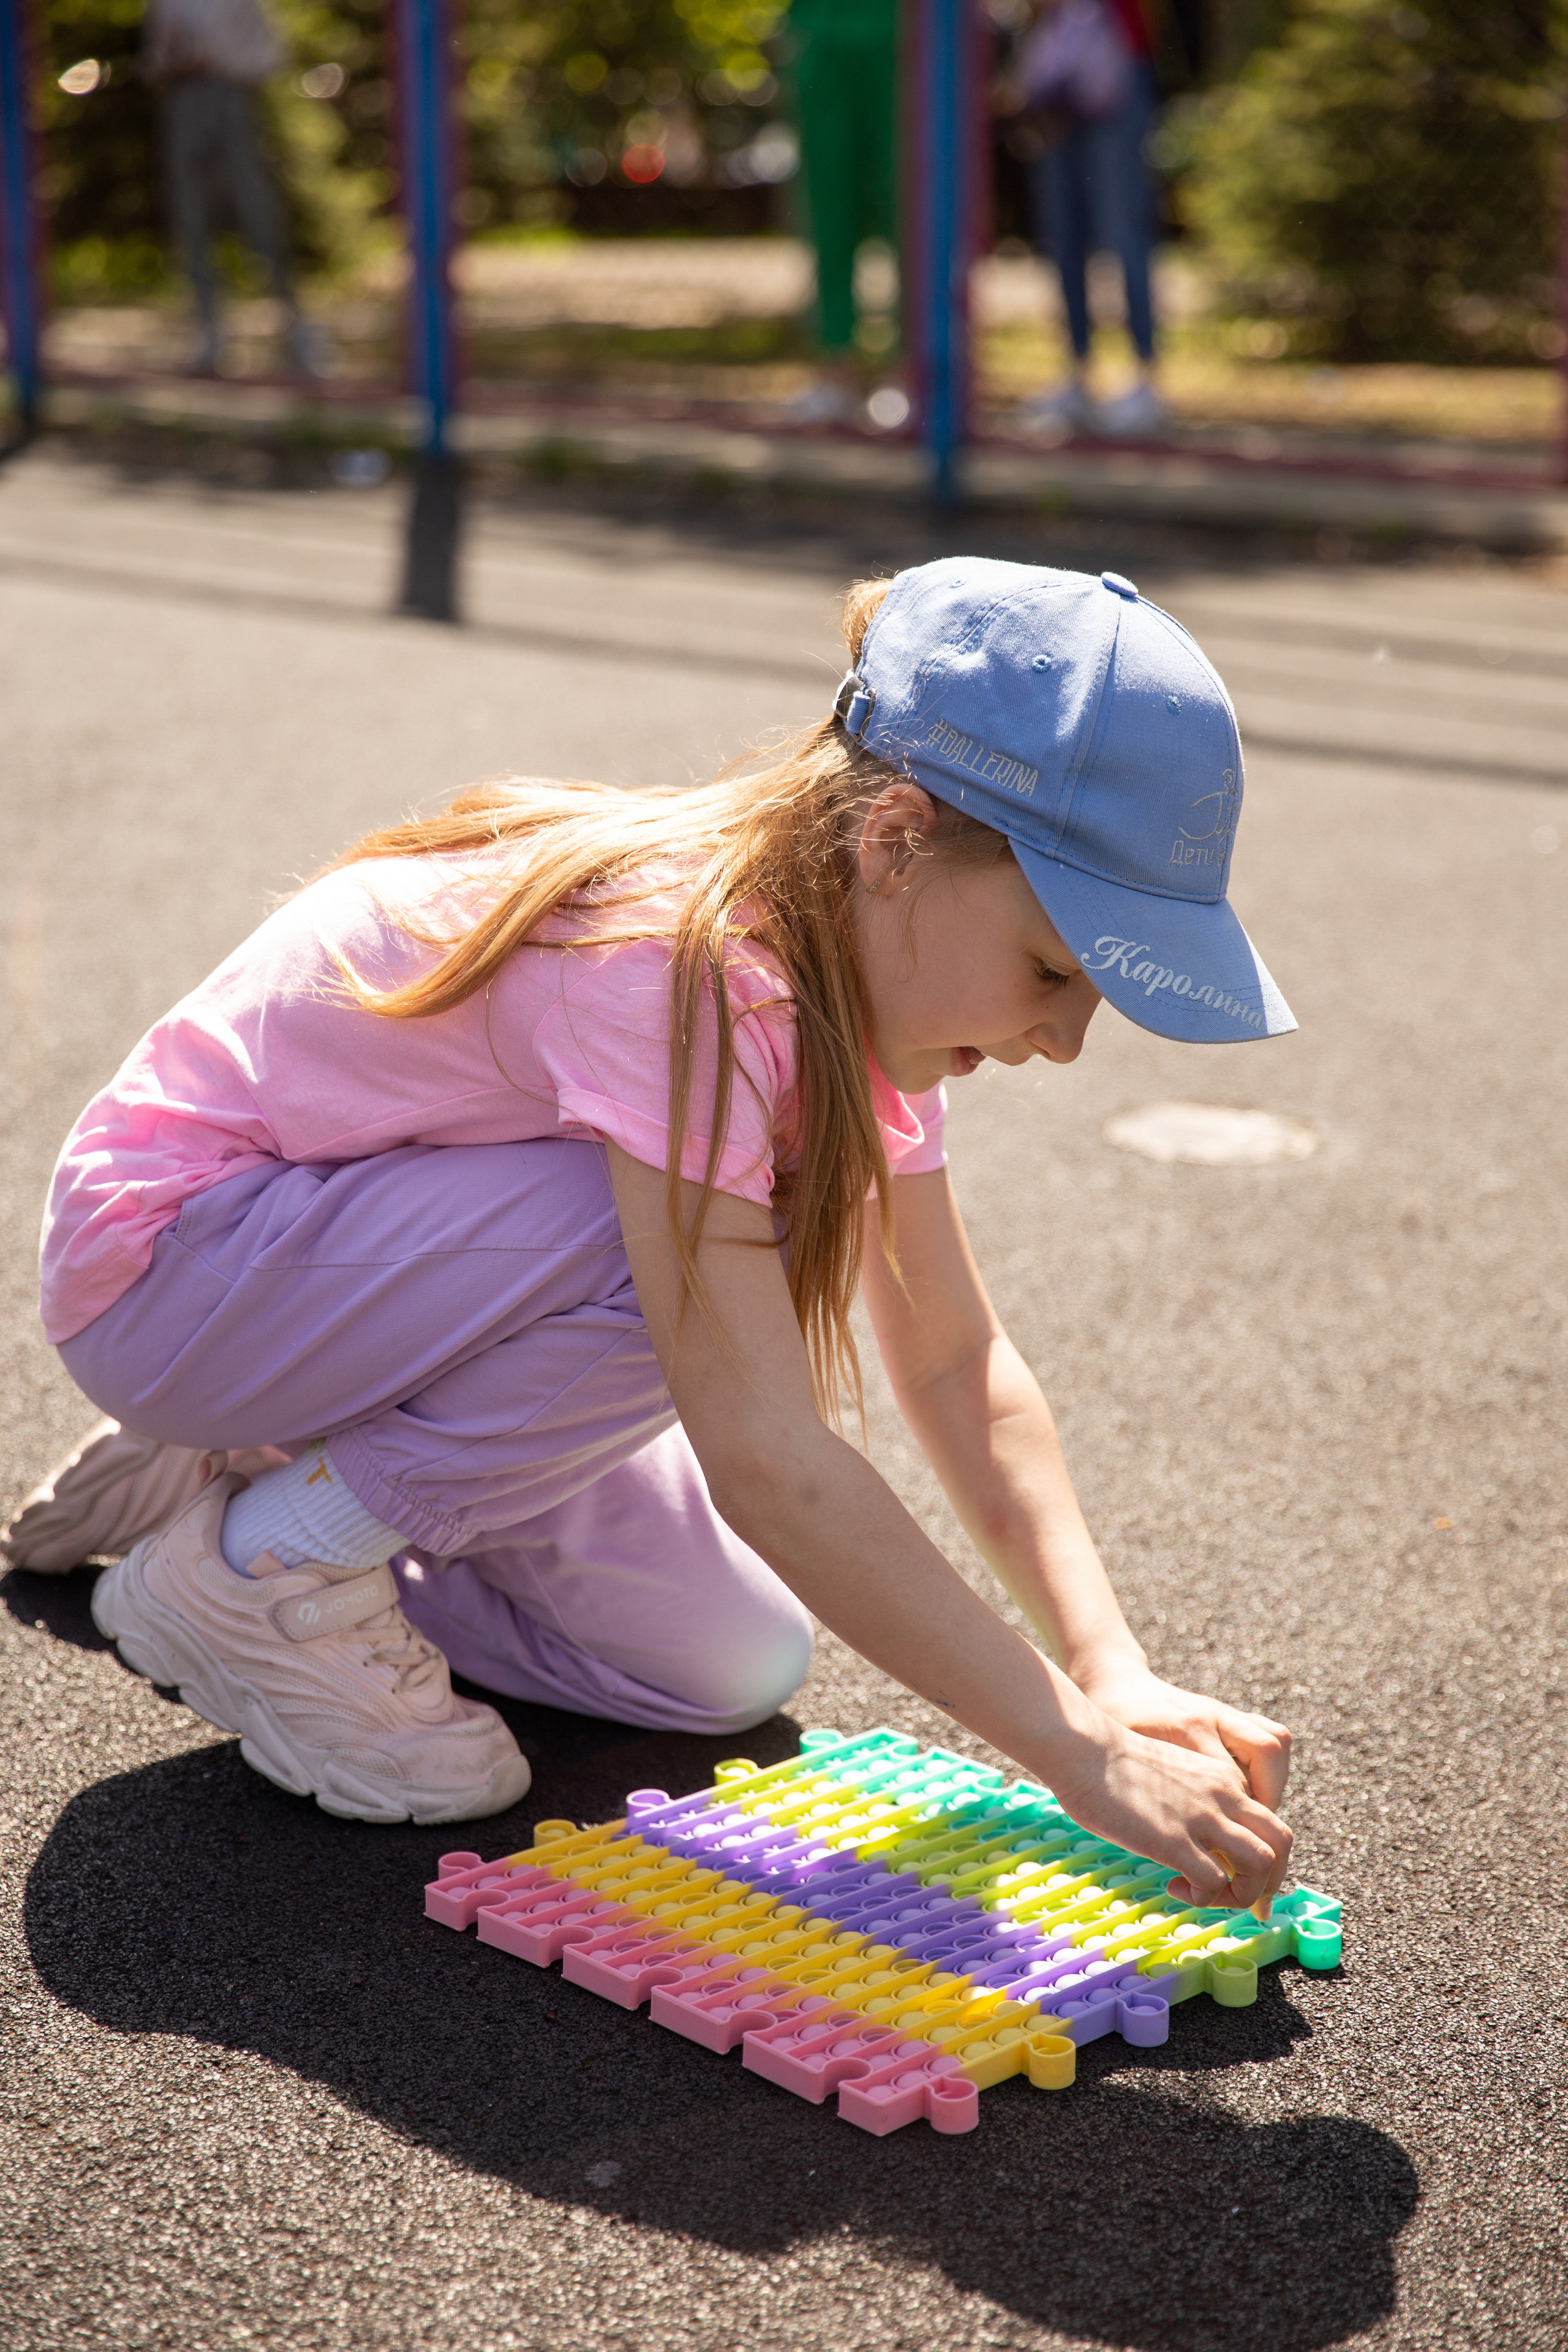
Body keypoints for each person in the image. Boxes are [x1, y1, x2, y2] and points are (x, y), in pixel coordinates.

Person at [6, 559, 1297, 1917]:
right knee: (700, 1256)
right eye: (1053, 970)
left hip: (338, 1290)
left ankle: (272, 1454)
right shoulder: (688, 967)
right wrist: (1072, 1756)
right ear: (895, 840)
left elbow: (952, 1362)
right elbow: (762, 1455)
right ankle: (266, 1564)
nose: (1063, 1041)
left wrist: (1111, 1674)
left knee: (725, 1664)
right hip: (171, 1268)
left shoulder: (864, 1009)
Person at [142, 0, 325, 377]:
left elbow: (271, 57)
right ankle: (209, 332)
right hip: (184, 103)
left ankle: (295, 329)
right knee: (191, 221)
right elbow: (151, 63)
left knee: (260, 217)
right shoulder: (165, 6)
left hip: (233, 103)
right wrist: (173, 60)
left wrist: (220, 60)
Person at [1011, 0, 1167, 437]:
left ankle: (1145, 379)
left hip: (1117, 65)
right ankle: (1077, 373)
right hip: (1058, 77)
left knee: (1123, 228)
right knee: (1062, 233)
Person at [785, 0, 900, 423]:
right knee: (828, 212)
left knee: (904, 211)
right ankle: (837, 369)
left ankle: (905, 373)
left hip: (898, 41)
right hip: (823, 38)